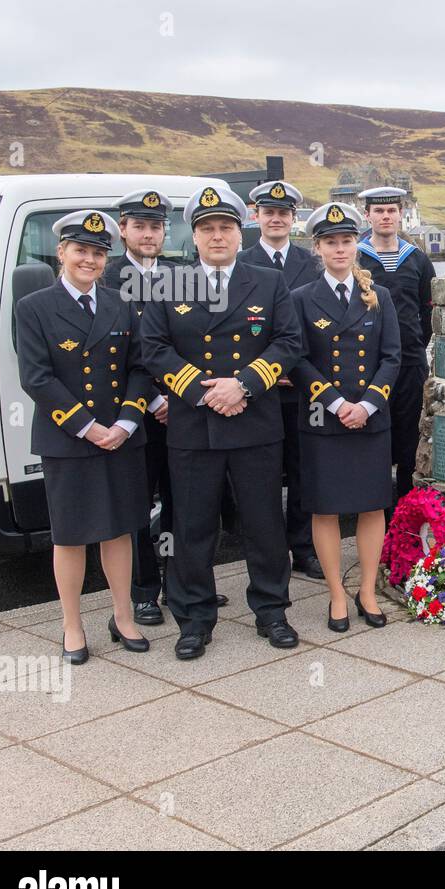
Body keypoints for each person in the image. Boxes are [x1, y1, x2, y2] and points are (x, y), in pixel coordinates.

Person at [140, 185, 305, 660]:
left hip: (255, 422)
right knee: (192, 526)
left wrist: (245, 384)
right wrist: (204, 391)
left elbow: (289, 341)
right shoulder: (170, 284)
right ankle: (194, 618)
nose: (217, 236)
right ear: (194, 237)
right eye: (207, 229)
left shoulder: (268, 282)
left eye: (225, 228)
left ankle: (272, 610)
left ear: (240, 232)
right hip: (194, 424)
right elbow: (153, 348)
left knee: (263, 522)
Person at [16, 210, 156, 661]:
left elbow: (139, 368)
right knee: (71, 536)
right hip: (70, 440)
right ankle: (72, 626)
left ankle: (122, 616)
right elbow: (36, 378)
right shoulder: (34, 307)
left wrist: (126, 423)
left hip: (120, 438)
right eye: (81, 251)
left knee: (120, 531)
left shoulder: (120, 304)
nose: (90, 260)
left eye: (98, 253)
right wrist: (88, 427)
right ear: (62, 253)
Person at [290, 203, 401, 630]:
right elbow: (297, 359)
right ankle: (337, 592)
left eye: (347, 241)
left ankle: (367, 590)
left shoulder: (379, 295)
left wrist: (367, 404)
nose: (340, 249)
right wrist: (337, 404)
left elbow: (392, 356)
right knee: (327, 509)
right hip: (324, 419)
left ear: (358, 244)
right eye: (331, 242)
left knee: (373, 507)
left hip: (370, 419)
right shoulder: (301, 299)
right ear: (317, 247)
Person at [238, 180, 323, 580]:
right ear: (255, 216)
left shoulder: (312, 262)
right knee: (265, 476)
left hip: (303, 388)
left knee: (304, 470)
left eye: (283, 213)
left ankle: (304, 548)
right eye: (268, 212)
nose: (276, 218)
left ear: (293, 219)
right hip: (256, 390)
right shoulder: (240, 261)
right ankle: (272, 554)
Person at [101, 189, 177, 625]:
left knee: (181, 502)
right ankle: (144, 591)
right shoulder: (106, 278)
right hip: (132, 413)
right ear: (123, 230)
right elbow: (119, 354)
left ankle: (181, 584)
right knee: (136, 505)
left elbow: (189, 345)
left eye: (156, 226)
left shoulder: (181, 276)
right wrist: (152, 398)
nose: (148, 234)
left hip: (180, 410)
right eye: (140, 226)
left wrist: (176, 395)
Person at [355, 187, 432, 503]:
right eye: (379, 211)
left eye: (391, 211)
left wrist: (413, 346)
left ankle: (405, 517)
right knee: (372, 440)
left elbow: (428, 311)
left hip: (410, 363)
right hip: (367, 365)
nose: (385, 216)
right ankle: (373, 514)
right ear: (367, 215)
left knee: (409, 442)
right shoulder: (355, 256)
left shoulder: (417, 259)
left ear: (401, 213)